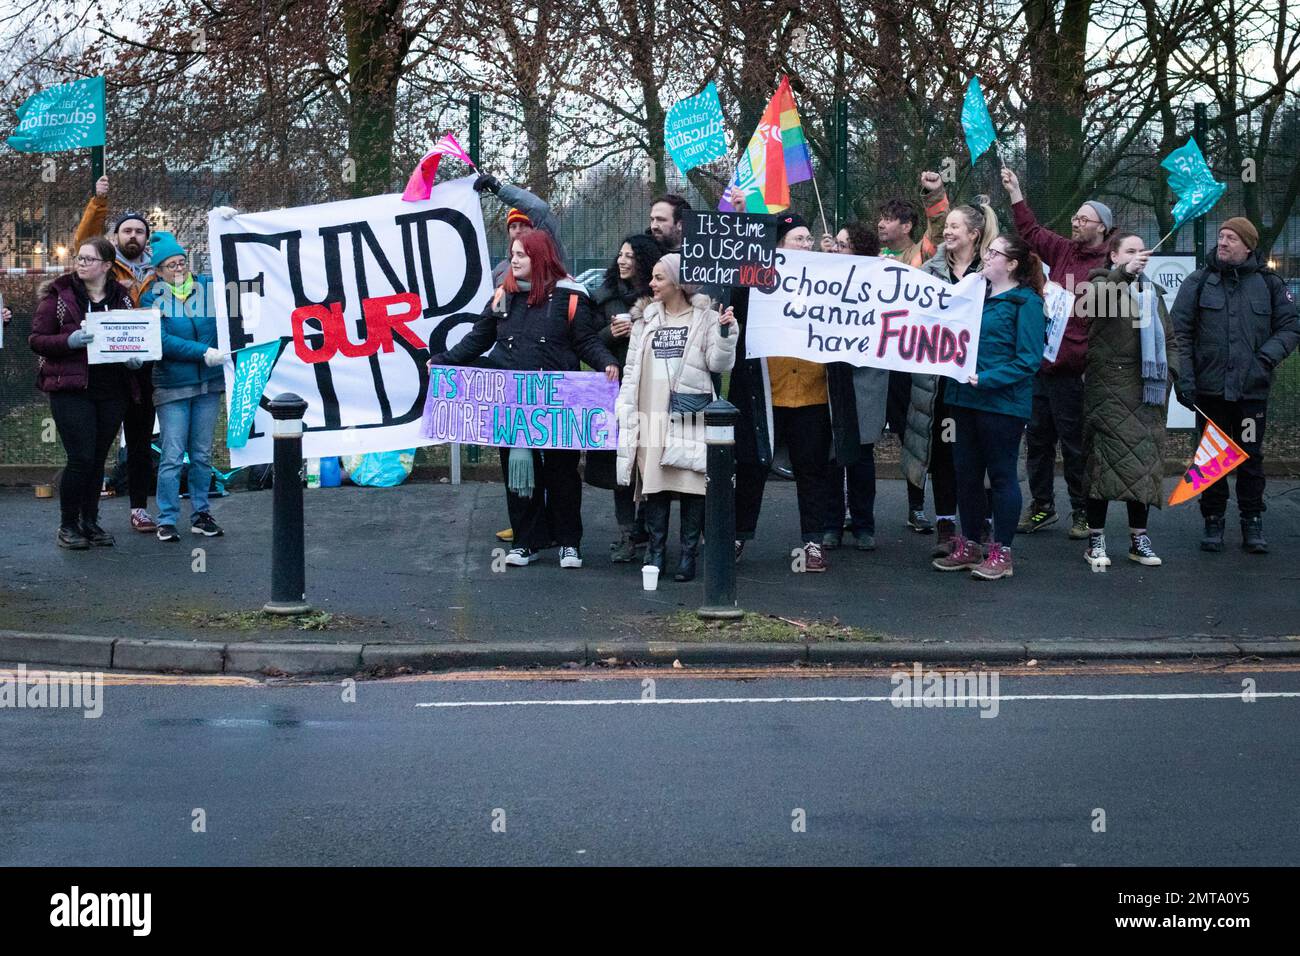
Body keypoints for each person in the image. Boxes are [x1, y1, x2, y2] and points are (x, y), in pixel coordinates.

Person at [427, 230, 618, 569]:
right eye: (513, 254)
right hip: (511, 402)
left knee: (562, 474)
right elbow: (479, 338)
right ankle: (525, 541)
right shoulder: (504, 295)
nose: (513, 260)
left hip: (558, 404)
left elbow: (585, 341)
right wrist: (443, 360)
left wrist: (606, 362)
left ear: (540, 258)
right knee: (517, 472)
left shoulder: (570, 298)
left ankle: (568, 542)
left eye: (521, 255)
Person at [1171, 217, 1299, 553]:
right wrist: (1185, 380)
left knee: (1250, 458)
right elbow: (1179, 333)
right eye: (1221, 236)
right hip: (1210, 392)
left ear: (1248, 246)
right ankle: (1213, 520)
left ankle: (1252, 521)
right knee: (1211, 460)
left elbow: (1289, 328)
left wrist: (1264, 361)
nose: (1223, 242)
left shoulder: (1270, 285)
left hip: (1250, 393)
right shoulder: (1199, 282)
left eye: (1231, 238)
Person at [1001, 166, 1113, 540]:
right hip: (1042, 367)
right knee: (1037, 441)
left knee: (1076, 445)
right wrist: (1016, 191)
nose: (1076, 222)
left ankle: (1082, 511)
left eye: (1085, 218)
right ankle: (1042, 507)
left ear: (1103, 228)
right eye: (1076, 216)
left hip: (1075, 373)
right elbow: (1030, 232)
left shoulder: (1109, 267)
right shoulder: (1063, 249)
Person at [616, 254, 736, 581]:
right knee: (655, 485)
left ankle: (687, 555)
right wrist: (625, 408)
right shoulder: (646, 319)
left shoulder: (706, 318)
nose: (651, 284)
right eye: (652, 278)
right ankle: (655, 552)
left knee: (690, 482)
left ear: (677, 282)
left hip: (688, 411)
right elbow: (632, 369)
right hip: (650, 411)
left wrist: (727, 333)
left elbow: (719, 364)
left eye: (659, 278)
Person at [933, 235, 1046, 580]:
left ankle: (1002, 552)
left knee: (1000, 475)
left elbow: (1029, 360)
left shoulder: (1025, 302)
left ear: (1011, 264)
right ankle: (969, 543)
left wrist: (989, 378)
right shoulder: (973, 295)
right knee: (965, 473)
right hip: (963, 398)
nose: (987, 257)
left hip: (1002, 404)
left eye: (994, 253)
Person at [731, 212, 837, 571]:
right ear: (777, 246)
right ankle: (737, 536)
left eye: (809, 239)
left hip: (811, 392)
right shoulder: (752, 281)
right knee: (751, 467)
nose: (806, 245)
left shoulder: (828, 280)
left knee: (812, 470)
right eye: (798, 239)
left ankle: (813, 542)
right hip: (765, 393)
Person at [902, 198, 1000, 557]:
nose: (948, 231)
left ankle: (982, 526)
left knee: (980, 454)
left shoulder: (993, 272)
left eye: (956, 226)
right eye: (947, 226)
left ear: (974, 234)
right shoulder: (928, 271)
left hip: (980, 381)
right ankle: (946, 526)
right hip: (939, 384)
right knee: (944, 454)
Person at [28, 237, 137, 549]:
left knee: (99, 458)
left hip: (112, 389)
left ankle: (90, 521)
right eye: (79, 258)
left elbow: (134, 333)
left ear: (106, 265)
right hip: (71, 387)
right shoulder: (59, 295)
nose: (81, 263)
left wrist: (136, 357)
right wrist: (69, 341)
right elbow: (36, 339)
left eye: (89, 259)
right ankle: (68, 525)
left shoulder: (122, 297)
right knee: (81, 457)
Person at [1078, 232, 1177, 570]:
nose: (1138, 255)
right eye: (1130, 251)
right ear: (1114, 256)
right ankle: (1096, 539)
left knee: (1144, 467)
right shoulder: (1099, 284)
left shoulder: (1152, 292)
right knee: (1102, 467)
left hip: (1146, 393)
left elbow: (1171, 338)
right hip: (1109, 393)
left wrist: (1169, 376)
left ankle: (1139, 539)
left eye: (1141, 250)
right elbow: (1090, 309)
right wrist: (1123, 275)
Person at [72, 175, 158, 533]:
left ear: (147, 238)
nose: (133, 236)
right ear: (116, 237)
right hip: (107, 368)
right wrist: (99, 201)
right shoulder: (104, 266)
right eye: (127, 231)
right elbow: (83, 240)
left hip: (144, 367)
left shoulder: (161, 271)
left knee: (140, 442)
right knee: (95, 444)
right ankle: (83, 514)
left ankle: (139, 508)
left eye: (139, 231)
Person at [138, 231, 228, 542]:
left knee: (202, 454)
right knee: (173, 455)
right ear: (158, 271)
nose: (179, 269)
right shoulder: (151, 298)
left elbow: (237, 271)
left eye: (182, 262)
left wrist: (230, 226)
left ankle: (201, 514)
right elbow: (161, 341)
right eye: (171, 265)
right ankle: (166, 518)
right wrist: (203, 352)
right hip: (173, 386)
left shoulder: (207, 288)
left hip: (209, 383)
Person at [879, 172, 951, 532]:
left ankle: (922, 508)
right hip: (879, 360)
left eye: (888, 218)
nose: (880, 224)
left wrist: (934, 192)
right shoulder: (869, 257)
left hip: (915, 359)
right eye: (880, 218)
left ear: (907, 225)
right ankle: (856, 509)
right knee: (888, 435)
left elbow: (938, 229)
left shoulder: (920, 254)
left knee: (921, 432)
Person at [590, 233, 661, 562]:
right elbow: (586, 341)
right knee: (619, 465)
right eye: (620, 254)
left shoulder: (660, 296)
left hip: (650, 389)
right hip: (614, 391)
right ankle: (627, 534)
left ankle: (648, 534)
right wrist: (609, 333)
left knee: (647, 463)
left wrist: (640, 330)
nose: (622, 261)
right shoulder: (604, 297)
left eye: (630, 256)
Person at [825, 221, 886, 550]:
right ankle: (831, 524)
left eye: (844, 244)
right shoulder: (823, 278)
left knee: (861, 453)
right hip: (832, 373)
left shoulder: (880, 279)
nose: (837, 249)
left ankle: (864, 524)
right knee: (833, 454)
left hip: (866, 376)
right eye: (835, 243)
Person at [472, 173, 566, 286]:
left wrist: (499, 189)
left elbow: (540, 210)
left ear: (535, 229)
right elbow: (496, 303)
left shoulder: (550, 258)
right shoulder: (500, 270)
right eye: (513, 226)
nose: (518, 230)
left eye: (523, 225)